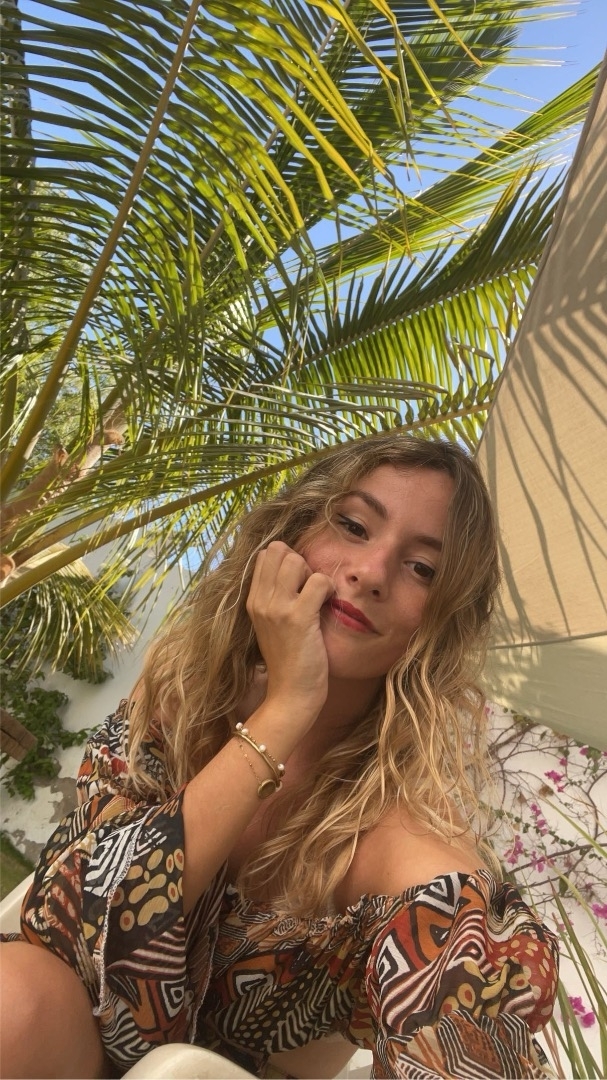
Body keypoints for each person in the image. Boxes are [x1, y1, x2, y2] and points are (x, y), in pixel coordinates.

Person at [0, 435, 558, 1080]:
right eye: (353, 525)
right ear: (291, 533)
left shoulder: (400, 845)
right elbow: (70, 920)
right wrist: (286, 710)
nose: (371, 572)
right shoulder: (182, 699)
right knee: (16, 1000)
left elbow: (470, 1004)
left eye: (422, 569)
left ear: (444, 623)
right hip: (55, 1033)